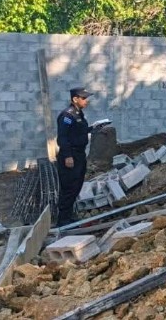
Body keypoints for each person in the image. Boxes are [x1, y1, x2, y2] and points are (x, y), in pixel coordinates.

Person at [55, 87, 96, 226]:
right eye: (83, 98)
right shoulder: (67, 115)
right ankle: (62, 221)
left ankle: (69, 217)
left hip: (79, 154)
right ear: (75, 99)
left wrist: (94, 128)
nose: (86, 101)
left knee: (76, 186)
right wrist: (67, 156)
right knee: (68, 187)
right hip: (70, 155)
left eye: (86, 98)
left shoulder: (78, 114)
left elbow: (79, 131)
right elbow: (62, 137)